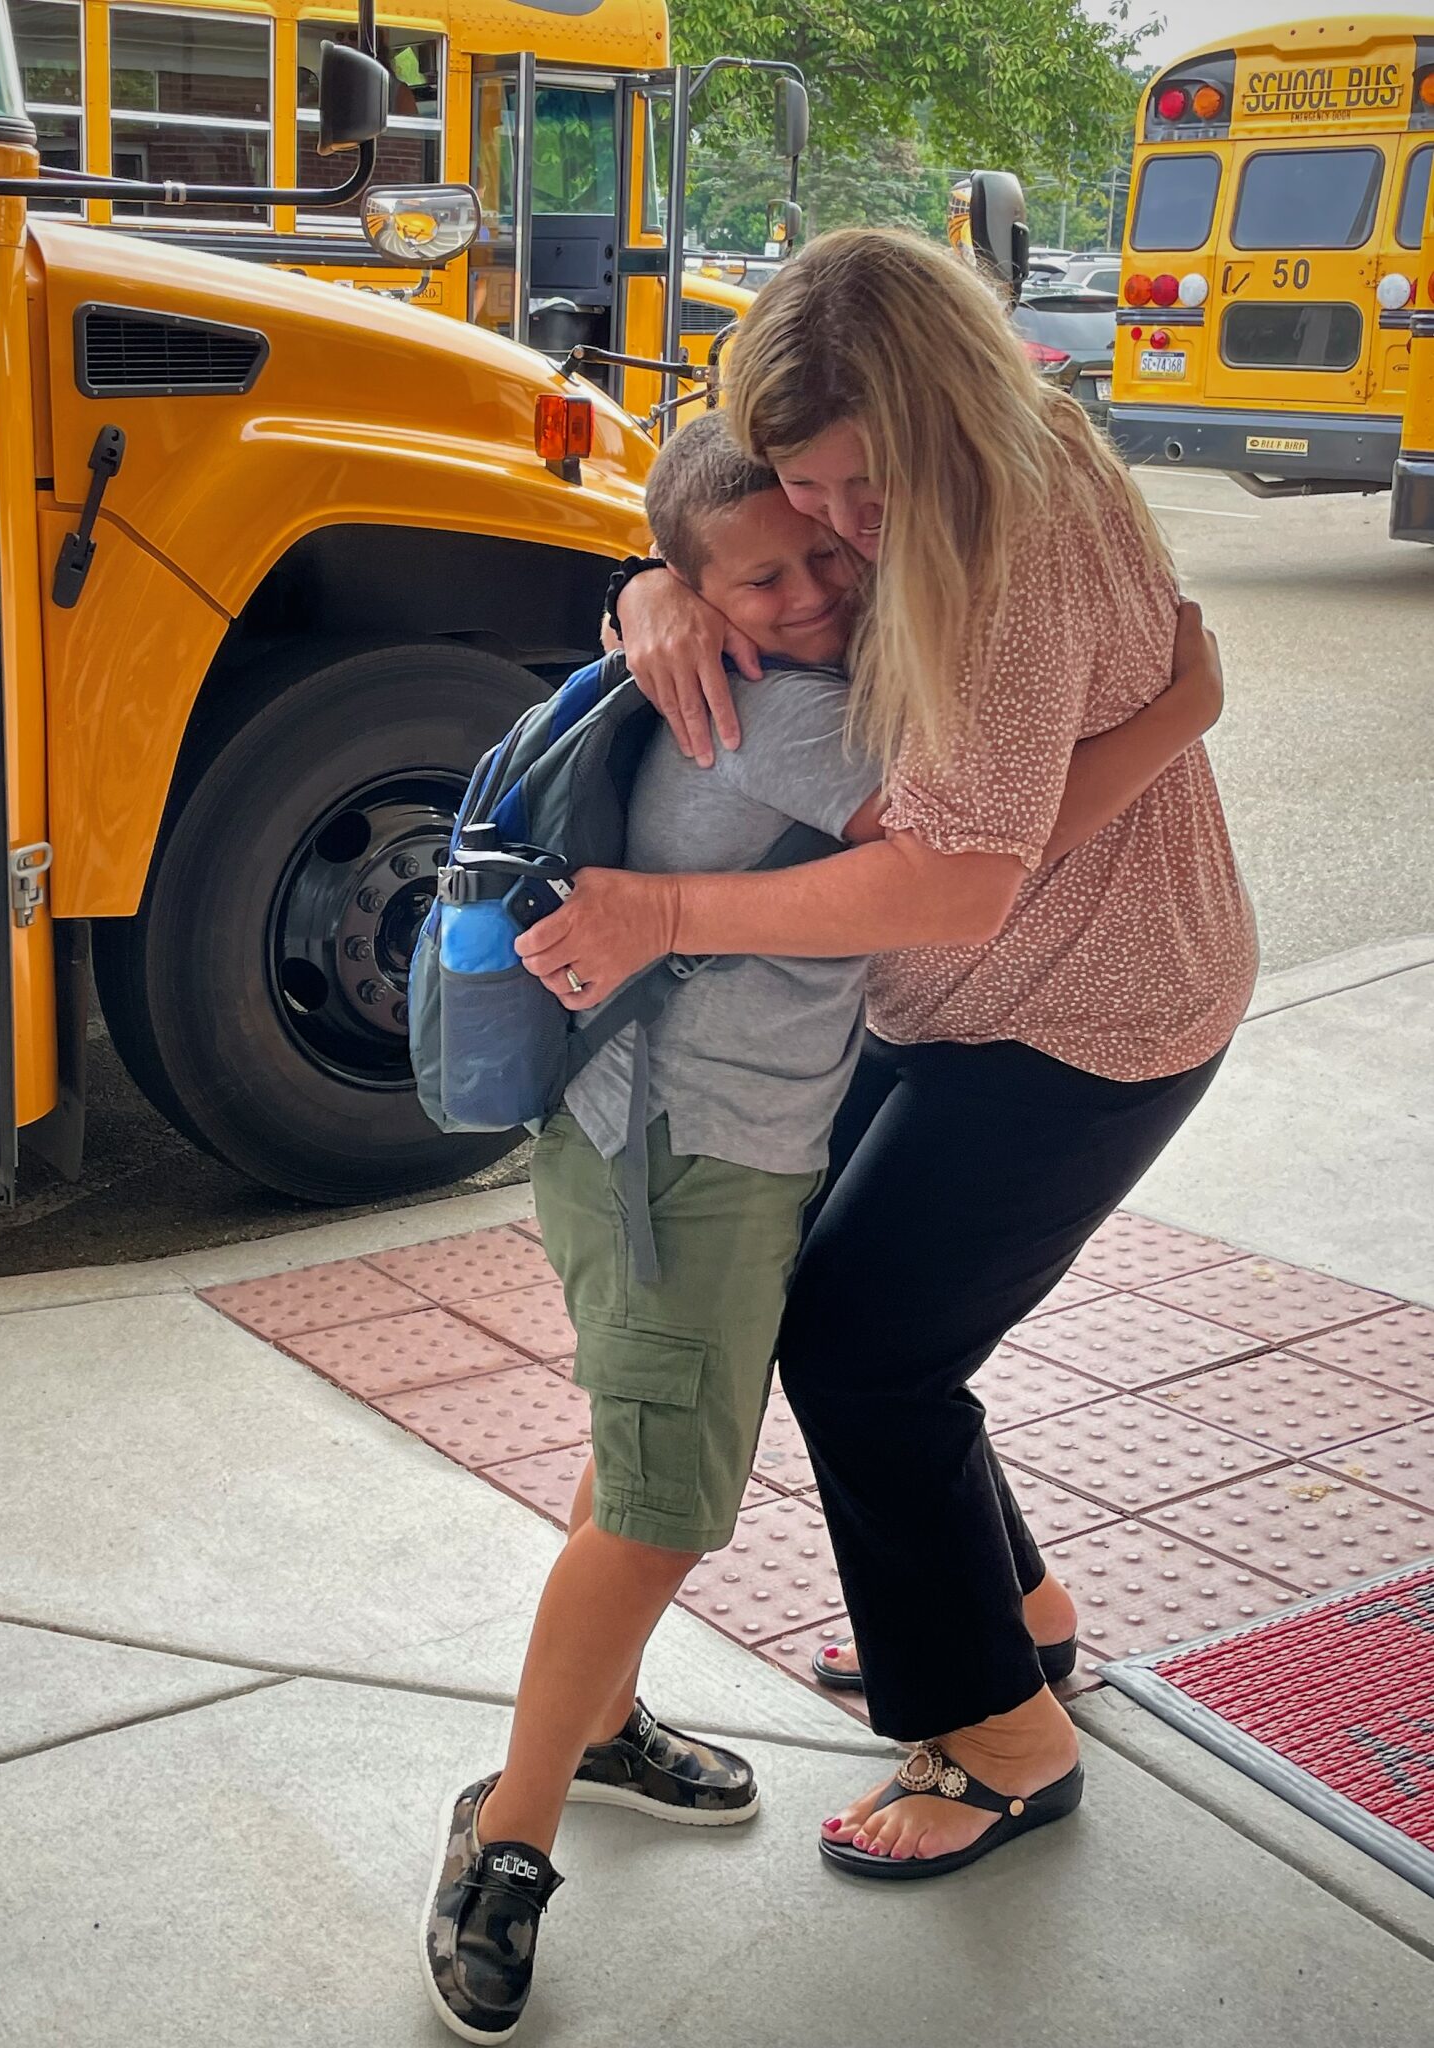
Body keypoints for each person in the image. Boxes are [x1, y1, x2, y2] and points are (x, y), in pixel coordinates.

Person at [422, 408, 1227, 2042]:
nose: (816, 579)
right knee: (666, 1497)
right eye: (768, 563)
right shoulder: (795, 725)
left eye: (831, 545)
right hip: (686, 1163)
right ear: (700, 589)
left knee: (665, 1438)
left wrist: (662, 584)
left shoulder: (758, 667)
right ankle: (501, 1841)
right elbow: (962, 869)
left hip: (693, 1149)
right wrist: (1184, 706)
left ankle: (611, 1726)